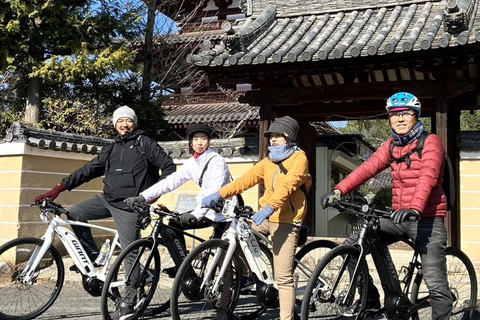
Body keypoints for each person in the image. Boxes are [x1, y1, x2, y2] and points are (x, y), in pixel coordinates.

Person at [34, 105, 176, 320]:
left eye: (128, 121)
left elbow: (169, 170)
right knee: (76, 214)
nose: (124, 124)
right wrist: (57, 189)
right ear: (115, 125)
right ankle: (93, 259)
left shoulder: (145, 143)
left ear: (134, 123)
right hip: (107, 199)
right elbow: (88, 171)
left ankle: (129, 302)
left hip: (131, 206)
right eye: (120, 121)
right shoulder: (112, 148)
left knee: (130, 254)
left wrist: (148, 198)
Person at [321, 92, 452, 320]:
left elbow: (427, 178)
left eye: (406, 114)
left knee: (435, 282)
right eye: (395, 115)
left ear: (416, 116)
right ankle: (370, 302)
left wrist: (415, 208)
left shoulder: (430, 142)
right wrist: (339, 190)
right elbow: (368, 168)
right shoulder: (391, 146)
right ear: (390, 118)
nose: (400, 119)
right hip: (398, 217)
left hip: (427, 218)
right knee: (355, 246)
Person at [202, 116, 312, 320]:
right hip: (264, 218)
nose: (273, 140)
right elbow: (245, 180)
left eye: (279, 136)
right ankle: (249, 275)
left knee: (283, 277)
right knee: (236, 235)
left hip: (286, 221)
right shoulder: (268, 161)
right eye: (271, 136)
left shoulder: (299, 159)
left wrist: (270, 207)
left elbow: (288, 185)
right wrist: (219, 194)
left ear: (290, 138)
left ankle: (287, 317)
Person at [124, 123, 235, 277]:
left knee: (222, 256)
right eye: (195, 139)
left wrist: (196, 215)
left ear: (209, 141)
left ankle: (226, 298)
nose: (199, 142)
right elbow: (171, 182)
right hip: (206, 209)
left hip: (225, 210)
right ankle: (182, 266)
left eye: (203, 138)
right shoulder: (192, 163)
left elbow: (213, 191)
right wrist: (143, 196)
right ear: (190, 142)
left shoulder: (217, 161)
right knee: (174, 225)